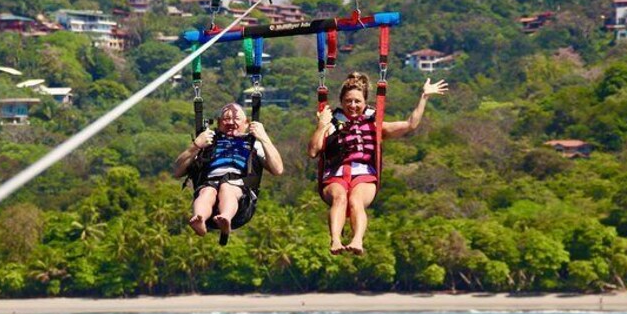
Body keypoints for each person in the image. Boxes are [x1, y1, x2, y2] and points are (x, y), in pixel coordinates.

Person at [308, 73, 448, 256]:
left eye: (357, 101)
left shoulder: (375, 125)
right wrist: (321, 125)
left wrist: (424, 96)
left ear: (365, 102)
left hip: (364, 174)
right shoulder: (330, 123)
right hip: (335, 174)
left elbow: (410, 124)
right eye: (348, 101)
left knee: (355, 201)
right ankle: (335, 240)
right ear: (341, 101)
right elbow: (312, 152)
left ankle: (357, 239)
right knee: (340, 197)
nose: (352, 106)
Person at [174, 103, 284, 240]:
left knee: (227, 187)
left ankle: (225, 218)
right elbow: (177, 171)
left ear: (247, 123)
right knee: (207, 192)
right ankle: (199, 219)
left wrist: (264, 137)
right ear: (219, 123)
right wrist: (195, 146)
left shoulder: (254, 144)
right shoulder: (207, 142)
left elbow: (278, 169)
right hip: (210, 188)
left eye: (237, 118)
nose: (231, 122)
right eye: (226, 119)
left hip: (241, 200)